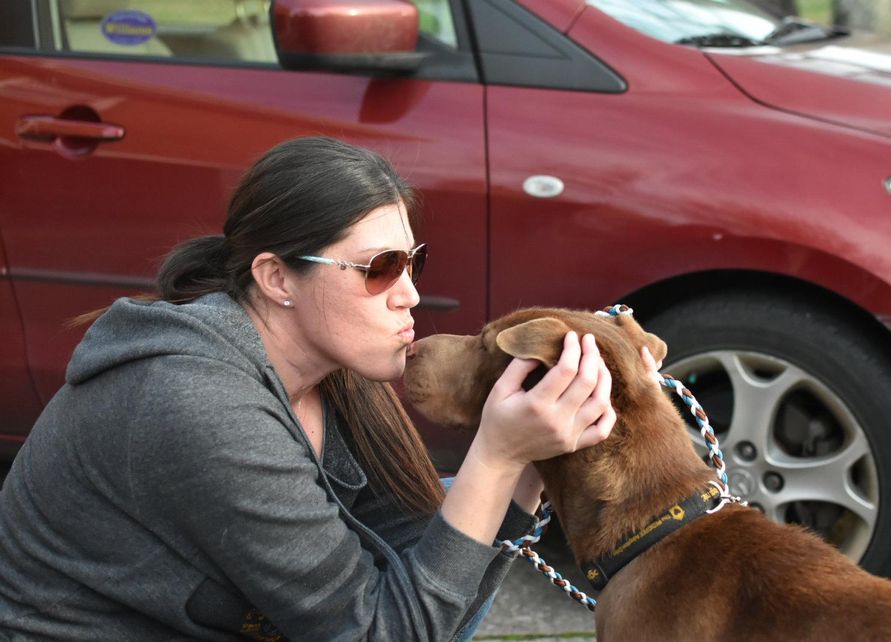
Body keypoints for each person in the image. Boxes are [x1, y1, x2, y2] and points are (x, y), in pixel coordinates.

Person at [0, 136, 618, 641]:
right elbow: (384, 631)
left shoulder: (332, 369)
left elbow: (422, 578)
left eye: (413, 262)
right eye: (380, 268)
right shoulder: (199, 404)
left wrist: (534, 461)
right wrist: (498, 455)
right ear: (276, 278)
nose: (410, 294)